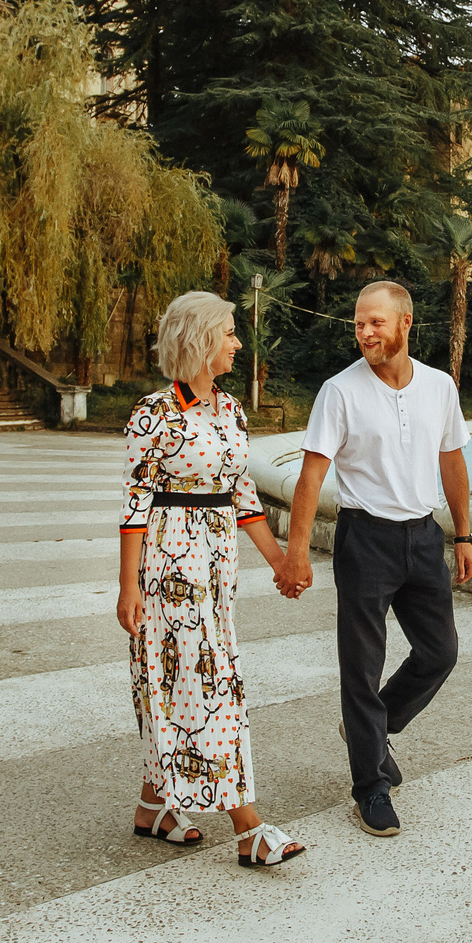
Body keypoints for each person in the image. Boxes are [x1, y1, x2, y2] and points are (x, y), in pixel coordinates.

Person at [118, 290, 307, 868]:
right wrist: (128, 587)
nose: (238, 343)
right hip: (169, 562)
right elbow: (135, 504)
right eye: (228, 333)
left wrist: (279, 562)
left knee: (179, 678)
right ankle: (248, 826)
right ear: (200, 340)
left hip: (218, 562)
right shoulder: (154, 413)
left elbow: (243, 495)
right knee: (208, 683)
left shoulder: (230, 410)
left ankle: (152, 806)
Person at [278, 281, 472, 839]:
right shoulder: (339, 391)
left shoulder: (439, 386)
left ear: (405, 323)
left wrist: (463, 534)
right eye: (359, 323)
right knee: (362, 666)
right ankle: (370, 786)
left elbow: (452, 460)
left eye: (376, 323)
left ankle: (371, 726)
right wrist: (296, 555)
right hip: (364, 539)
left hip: (423, 537)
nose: (365, 332)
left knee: (440, 652)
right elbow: (311, 475)